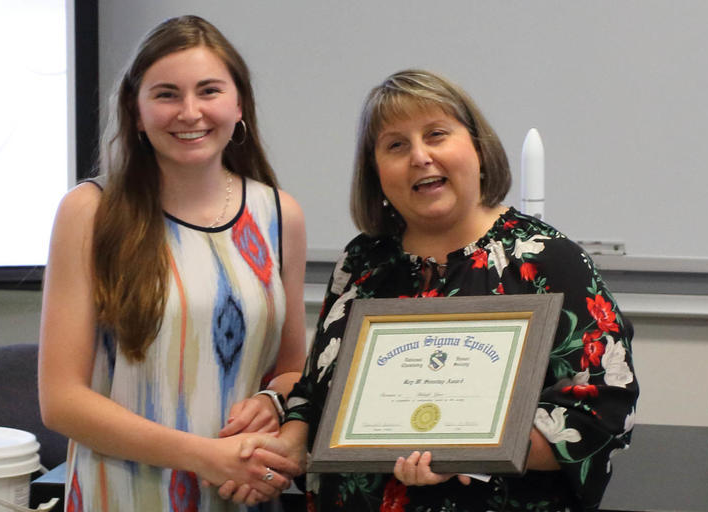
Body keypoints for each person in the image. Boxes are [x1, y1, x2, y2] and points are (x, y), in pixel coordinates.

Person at [239, 69, 638, 511]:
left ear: (478, 150)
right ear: (376, 174)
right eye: (396, 145)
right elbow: (318, 388)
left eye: (437, 134)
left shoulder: (548, 260)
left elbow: (603, 413)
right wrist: (290, 442)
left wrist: (466, 450)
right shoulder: (363, 261)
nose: (420, 156)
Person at [38, 15, 306, 511]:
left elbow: (291, 370)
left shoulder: (279, 215)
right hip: (120, 495)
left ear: (239, 104)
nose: (189, 112)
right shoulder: (90, 212)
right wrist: (205, 457)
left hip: (240, 492)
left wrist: (273, 404)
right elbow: (61, 401)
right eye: (165, 94)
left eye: (208, 91)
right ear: (136, 113)